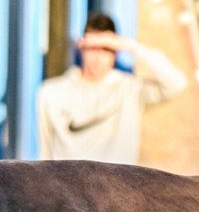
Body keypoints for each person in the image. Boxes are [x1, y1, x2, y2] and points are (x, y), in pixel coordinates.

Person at [36, 12, 186, 163]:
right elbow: (45, 154)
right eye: (93, 48)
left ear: (116, 51)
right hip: (65, 184)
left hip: (116, 185)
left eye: (106, 49)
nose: (98, 57)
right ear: (82, 47)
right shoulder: (51, 93)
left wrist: (131, 46)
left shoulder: (130, 89)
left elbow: (176, 83)